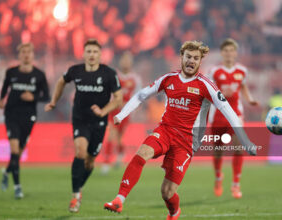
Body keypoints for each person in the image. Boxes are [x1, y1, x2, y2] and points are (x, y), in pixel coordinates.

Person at [103, 40, 257, 220]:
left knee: (167, 192)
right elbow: (141, 95)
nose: (191, 61)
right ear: (181, 58)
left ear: (200, 62)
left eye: (196, 58)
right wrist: (121, 115)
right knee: (142, 153)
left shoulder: (205, 85)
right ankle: (119, 199)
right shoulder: (168, 79)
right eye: (188, 57)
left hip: (186, 142)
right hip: (165, 131)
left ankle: (174, 212)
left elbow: (228, 111)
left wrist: (245, 141)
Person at [44, 39, 123, 213]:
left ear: (100, 55)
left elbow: (118, 98)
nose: (92, 55)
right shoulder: (75, 71)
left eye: (95, 52)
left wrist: (103, 111)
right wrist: (53, 101)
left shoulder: (109, 73)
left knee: (90, 161)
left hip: (99, 122)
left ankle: (78, 187)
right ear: (84, 54)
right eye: (89, 51)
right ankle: (76, 196)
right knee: (80, 151)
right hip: (80, 118)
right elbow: (60, 82)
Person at [208, 38, 258, 199]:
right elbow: (208, 91)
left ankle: (236, 184)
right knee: (218, 151)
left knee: (238, 147)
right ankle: (218, 177)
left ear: (235, 53)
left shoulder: (242, 70)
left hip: (236, 114)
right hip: (218, 115)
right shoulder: (214, 71)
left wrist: (249, 99)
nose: (229, 53)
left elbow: (243, 86)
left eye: (231, 51)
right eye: (226, 51)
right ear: (222, 53)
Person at [0, 42, 50, 199]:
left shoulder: (39, 75)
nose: (26, 55)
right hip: (12, 114)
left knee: (18, 154)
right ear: (19, 55)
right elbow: (5, 88)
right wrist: (1, 99)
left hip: (29, 117)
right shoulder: (11, 72)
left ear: (33, 55)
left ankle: (7, 172)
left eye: (29, 52)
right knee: (14, 150)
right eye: (23, 52)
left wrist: (33, 97)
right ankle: (17, 188)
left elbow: (46, 96)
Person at [102, 51, 142, 173]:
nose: (125, 62)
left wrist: (129, 107)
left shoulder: (135, 79)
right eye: (124, 60)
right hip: (113, 111)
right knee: (111, 135)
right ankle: (107, 163)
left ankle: (120, 154)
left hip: (126, 112)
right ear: (120, 61)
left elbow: (138, 97)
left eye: (128, 60)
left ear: (131, 63)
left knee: (119, 138)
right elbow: (107, 93)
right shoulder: (114, 75)